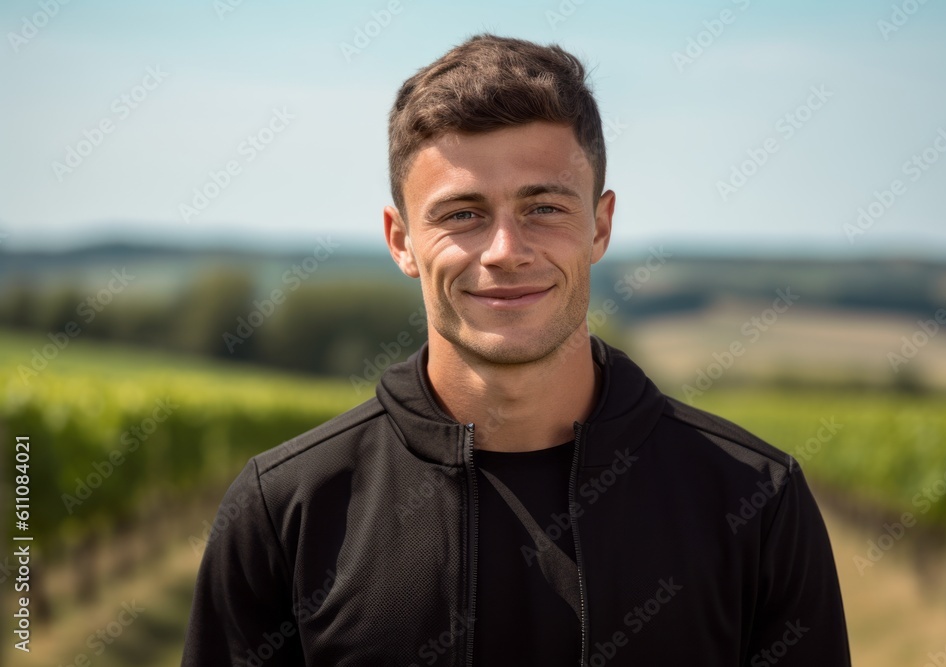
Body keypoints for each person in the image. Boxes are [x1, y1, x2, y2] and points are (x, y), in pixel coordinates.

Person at [182, 33, 851, 666]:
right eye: (462, 213)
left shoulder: (756, 499)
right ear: (400, 239)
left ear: (601, 224)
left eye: (544, 208)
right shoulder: (283, 510)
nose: (505, 251)